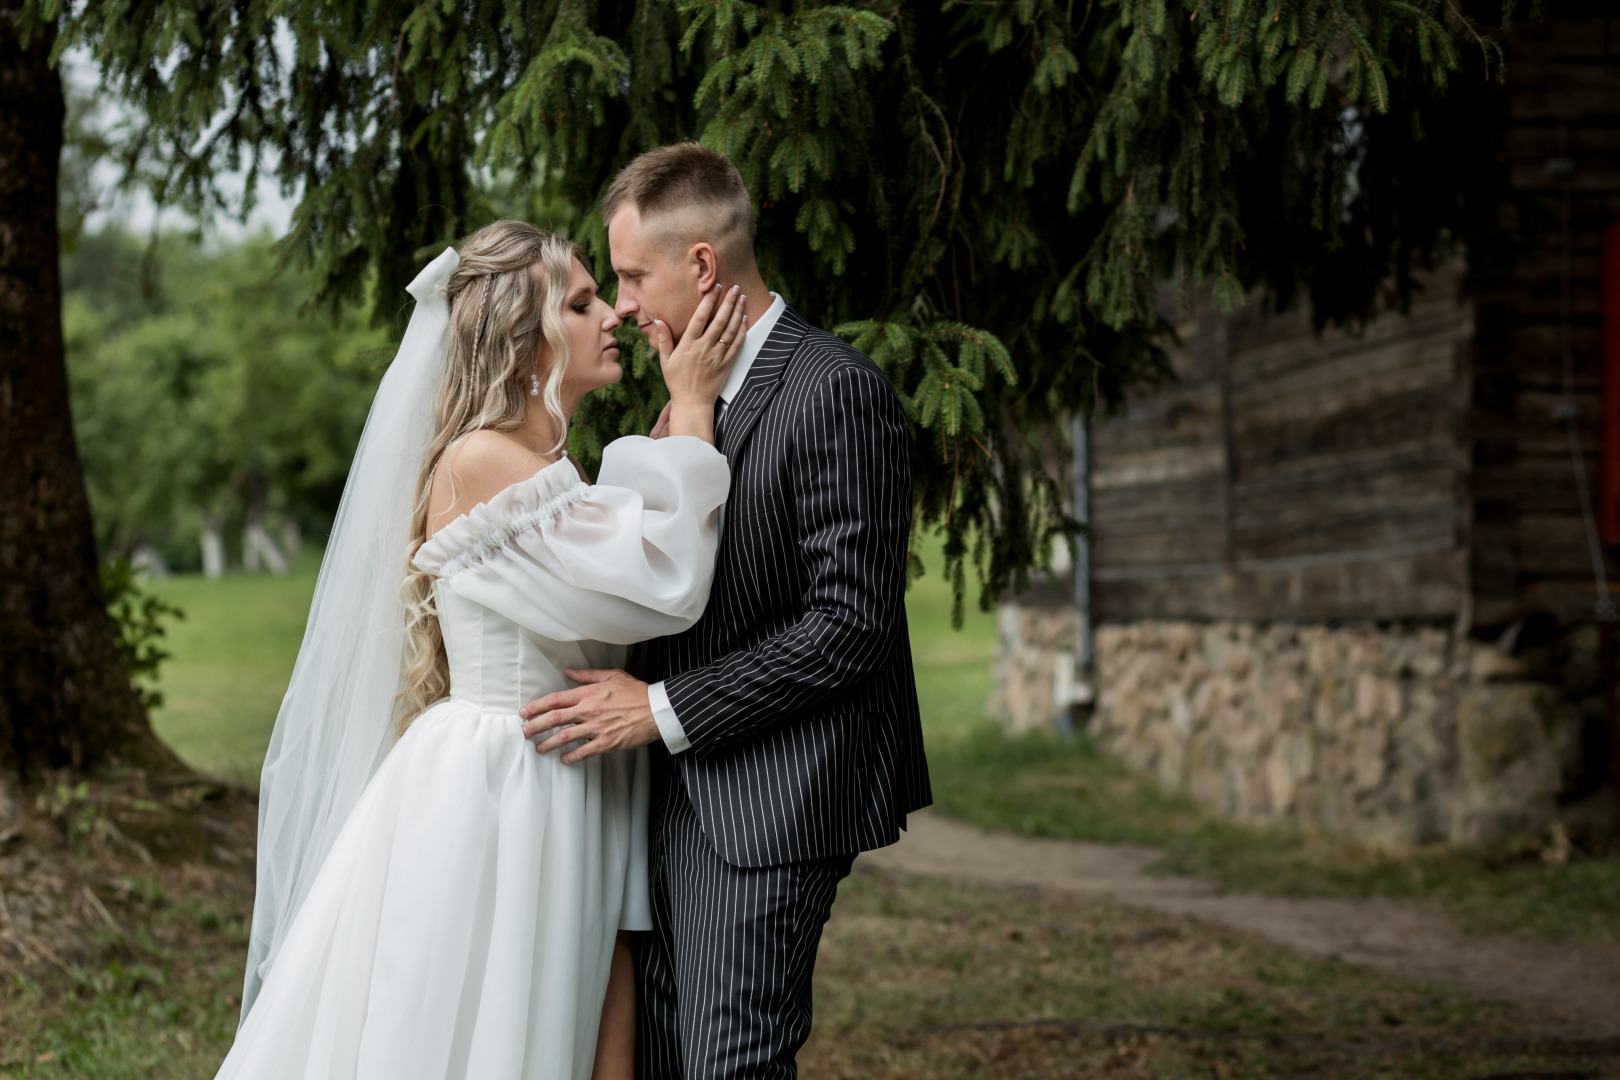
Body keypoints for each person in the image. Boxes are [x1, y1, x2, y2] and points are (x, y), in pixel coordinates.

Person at [218, 220, 747, 1080]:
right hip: (506, 781)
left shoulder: (550, 471)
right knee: (471, 1016)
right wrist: (690, 413)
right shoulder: (480, 461)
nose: (610, 314)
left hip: (574, 767)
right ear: (524, 335)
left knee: (573, 997)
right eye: (580, 304)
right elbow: (663, 585)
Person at [518, 143, 932, 1079]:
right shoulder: (678, 401)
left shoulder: (834, 390)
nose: (621, 304)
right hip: (665, 794)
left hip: (772, 799)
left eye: (630, 276)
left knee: (725, 1065)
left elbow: (849, 626)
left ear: (700, 266)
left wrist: (657, 710)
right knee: (657, 1056)